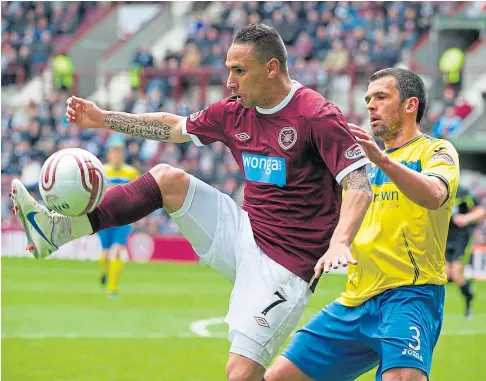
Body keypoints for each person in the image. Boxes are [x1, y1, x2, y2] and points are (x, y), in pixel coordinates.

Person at [10, 24, 372, 381]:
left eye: (239, 71)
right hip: (243, 231)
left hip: (286, 266)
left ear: (272, 68)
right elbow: (172, 127)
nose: (230, 81)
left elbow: (358, 183)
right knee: (169, 180)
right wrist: (103, 119)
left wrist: (340, 240)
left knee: (241, 374)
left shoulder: (315, 115)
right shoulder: (234, 112)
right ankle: (57, 229)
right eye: (229, 70)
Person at [265, 68, 460, 381]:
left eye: (381, 97)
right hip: (356, 299)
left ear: (411, 105)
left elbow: (435, 195)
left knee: (403, 377)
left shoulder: (435, 151)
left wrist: (382, 160)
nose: (370, 105)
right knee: (279, 376)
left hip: (409, 295)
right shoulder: (360, 168)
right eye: (368, 99)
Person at [98, 141, 140, 297]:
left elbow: (139, 193)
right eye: (114, 153)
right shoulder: (102, 171)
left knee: (117, 251)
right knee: (104, 254)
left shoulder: (131, 173)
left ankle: (112, 288)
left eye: (119, 153)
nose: (116, 157)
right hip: (104, 217)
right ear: (109, 155)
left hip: (123, 218)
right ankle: (105, 271)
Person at [446, 184, 486, 319]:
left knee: (456, 273)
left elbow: (480, 210)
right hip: (443, 237)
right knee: (444, 274)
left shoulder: (464, 192)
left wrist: (466, 218)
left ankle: (468, 304)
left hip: (461, 237)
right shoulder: (438, 189)